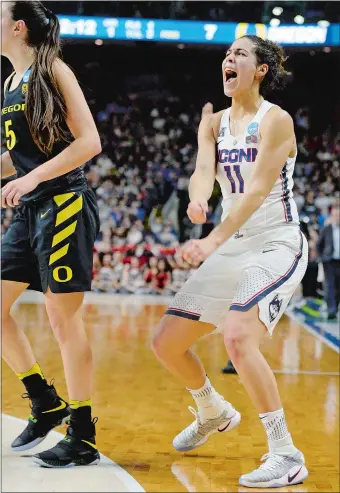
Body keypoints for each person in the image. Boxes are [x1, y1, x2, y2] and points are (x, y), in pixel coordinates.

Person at [152, 35, 309, 488]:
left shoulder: (275, 120)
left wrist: (209, 240)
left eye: (240, 53)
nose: (229, 58)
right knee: (166, 343)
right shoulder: (213, 123)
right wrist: (198, 203)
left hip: (276, 242)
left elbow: (258, 189)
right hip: (231, 242)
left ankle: (285, 453)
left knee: (239, 337)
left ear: (260, 70)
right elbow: (203, 172)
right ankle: (212, 409)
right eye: (227, 54)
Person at [1, 1, 101, 468]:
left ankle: (82, 432)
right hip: (30, 207)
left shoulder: (54, 71)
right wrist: (17, 175)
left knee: (63, 320)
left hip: (64, 202)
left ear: (17, 27)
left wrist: (31, 178)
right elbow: (18, 159)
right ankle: (44, 400)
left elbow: (88, 142)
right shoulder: (9, 83)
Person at [317, 205, 340, 319]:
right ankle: (332, 309)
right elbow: (319, 245)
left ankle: (335, 306)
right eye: (335, 215)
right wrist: (322, 257)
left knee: (338, 287)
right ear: (332, 215)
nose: (337, 217)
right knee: (330, 286)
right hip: (329, 262)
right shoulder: (326, 229)